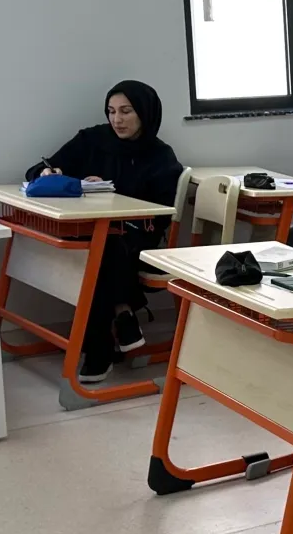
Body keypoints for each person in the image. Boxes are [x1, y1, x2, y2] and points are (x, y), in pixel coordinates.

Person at [26, 81, 183, 384]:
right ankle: (122, 313)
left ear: (145, 113)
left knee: (104, 249)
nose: (117, 120)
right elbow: (38, 169)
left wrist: (114, 195)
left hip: (137, 236)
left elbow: (162, 212)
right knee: (97, 246)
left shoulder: (161, 155)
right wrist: (47, 172)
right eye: (111, 111)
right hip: (91, 231)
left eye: (126, 111)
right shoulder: (92, 140)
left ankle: (99, 348)